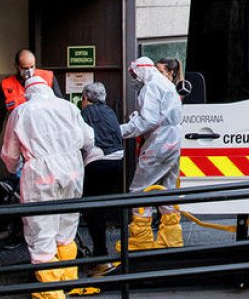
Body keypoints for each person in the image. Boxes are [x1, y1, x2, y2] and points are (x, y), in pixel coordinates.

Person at [0, 76, 95, 299]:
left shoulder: (21, 112)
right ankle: (68, 280)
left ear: (28, 93)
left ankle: (51, 291)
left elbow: (10, 154)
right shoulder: (68, 107)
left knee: (41, 230)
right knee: (67, 226)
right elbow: (88, 138)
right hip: (72, 171)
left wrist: (15, 169)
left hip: (40, 174)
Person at [121, 57, 184, 250]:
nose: (134, 79)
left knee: (139, 191)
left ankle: (141, 241)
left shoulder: (151, 87)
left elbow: (147, 120)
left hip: (159, 142)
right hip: (173, 141)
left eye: (134, 75)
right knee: (167, 189)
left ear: (141, 70)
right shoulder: (166, 84)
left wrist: (121, 130)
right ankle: (171, 238)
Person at [0, 49, 64, 171]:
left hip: (46, 140)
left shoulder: (47, 78)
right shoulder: (7, 85)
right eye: (25, 68)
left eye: (32, 67)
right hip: (21, 142)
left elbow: (60, 108)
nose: (29, 71)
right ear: (16, 66)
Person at [78, 83, 123, 265]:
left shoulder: (85, 114)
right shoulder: (110, 112)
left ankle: (100, 255)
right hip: (119, 161)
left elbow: (81, 140)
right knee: (115, 205)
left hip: (98, 162)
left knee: (92, 209)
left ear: (85, 99)